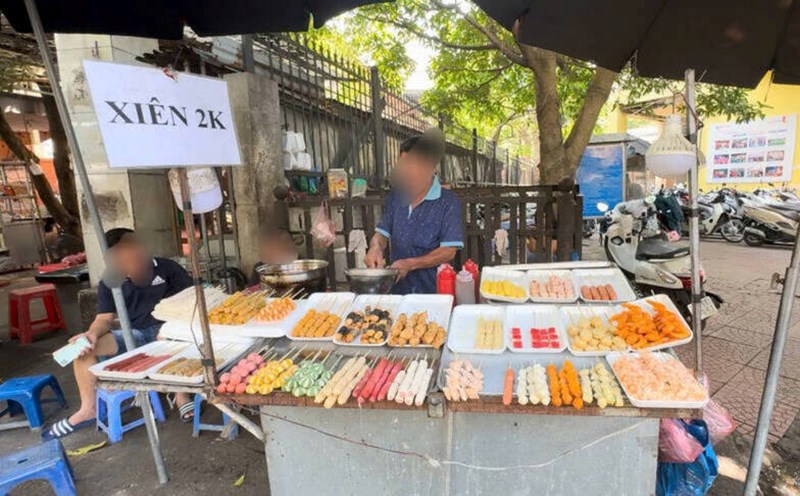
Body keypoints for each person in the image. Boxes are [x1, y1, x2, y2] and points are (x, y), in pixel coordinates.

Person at [43, 228, 195, 440]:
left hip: (172, 332)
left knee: (172, 337)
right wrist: (91, 334)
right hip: (135, 336)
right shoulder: (110, 280)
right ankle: (88, 409)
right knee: (82, 350)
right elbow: (104, 318)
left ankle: (181, 394)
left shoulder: (167, 268)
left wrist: (172, 326)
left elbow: (192, 299)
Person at [364, 129, 464, 294]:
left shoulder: (448, 201)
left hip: (433, 292)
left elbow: (448, 251)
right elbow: (381, 234)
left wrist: (410, 264)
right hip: (397, 290)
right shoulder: (396, 197)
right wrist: (375, 248)